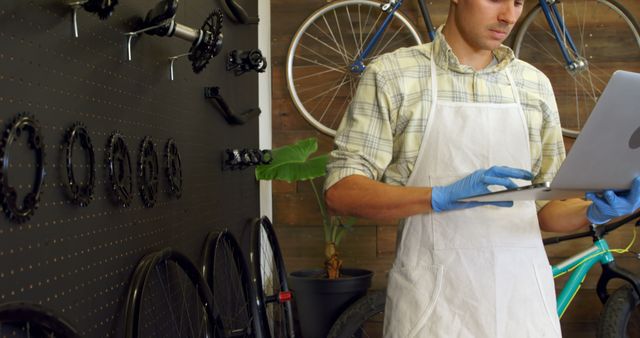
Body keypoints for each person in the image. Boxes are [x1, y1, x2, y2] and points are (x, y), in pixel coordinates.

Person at [323, 0, 640, 336]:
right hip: (433, 307)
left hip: (522, 304)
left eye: (518, 2)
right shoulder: (392, 76)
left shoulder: (534, 86)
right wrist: (440, 197)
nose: (509, 15)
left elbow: (548, 212)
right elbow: (341, 192)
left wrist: (597, 210)